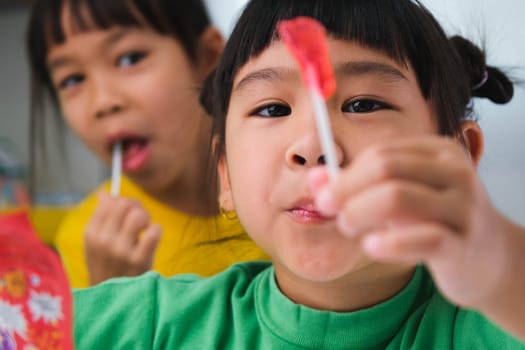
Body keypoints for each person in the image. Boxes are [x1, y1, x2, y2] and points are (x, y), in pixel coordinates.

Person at [72, 0, 525, 348]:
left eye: (364, 104)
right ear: (225, 177)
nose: (311, 147)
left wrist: (501, 265)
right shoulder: (149, 325)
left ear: (458, 157)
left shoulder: (493, 322)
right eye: (272, 108)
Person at [26, 0, 267, 288]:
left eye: (129, 58)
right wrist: (113, 298)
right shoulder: (83, 242)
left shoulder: (293, 190)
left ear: (209, 56)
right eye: (73, 79)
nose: (103, 102)